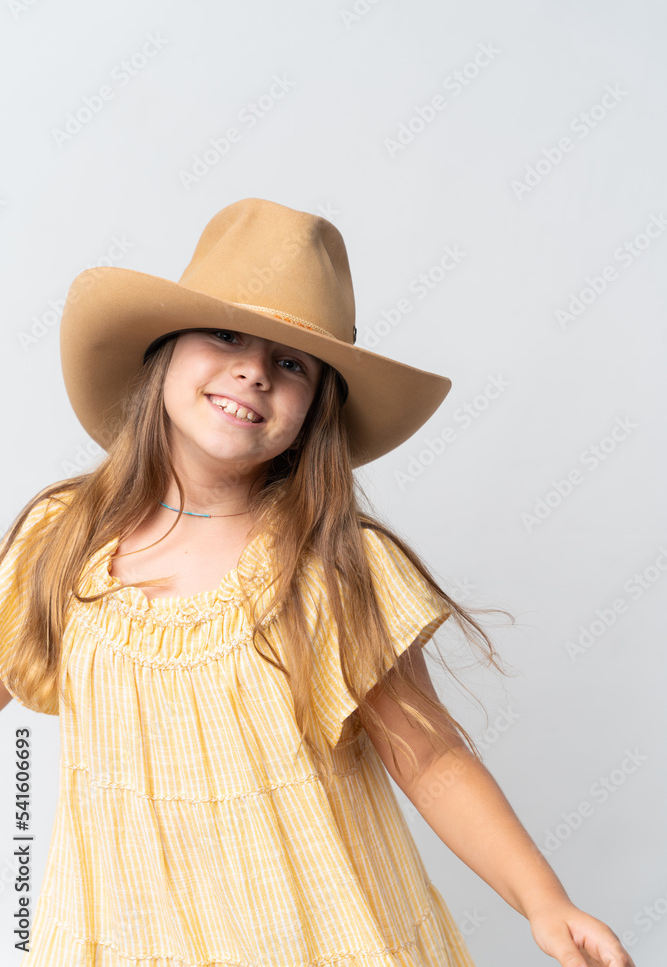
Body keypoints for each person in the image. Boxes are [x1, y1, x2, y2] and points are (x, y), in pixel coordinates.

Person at [0, 198, 634, 967]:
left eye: (291, 363)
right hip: (119, 941)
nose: (253, 371)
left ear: (316, 409)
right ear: (163, 352)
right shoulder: (62, 538)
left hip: (316, 944)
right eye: (225, 335)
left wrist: (543, 901)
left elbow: (429, 757)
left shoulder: (328, 568)